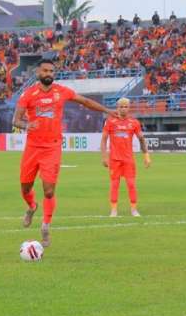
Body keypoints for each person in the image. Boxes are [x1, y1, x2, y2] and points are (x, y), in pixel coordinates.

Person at [13, 59, 117, 247]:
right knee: (25, 189)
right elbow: (16, 120)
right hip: (32, 148)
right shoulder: (28, 95)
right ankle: (31, 207)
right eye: (45, 70)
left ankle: (45, 227)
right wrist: (27, 125)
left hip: (52, 147)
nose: (48, 74)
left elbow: (84, 101)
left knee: (49, 191)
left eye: (51, 71)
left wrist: (107, 110)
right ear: (38, 73)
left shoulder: (61, 91)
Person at [101, 97, 151, 217]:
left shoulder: (134, 122)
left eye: (126, 106)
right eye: (121, 106)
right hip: (114, 159)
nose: (123, 109)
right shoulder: (110, 121)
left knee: (131, 184)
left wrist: (146, 155)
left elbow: (141, 139)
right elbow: (104, 139)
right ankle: (113, 210)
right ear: (117, 108)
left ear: (129, 108)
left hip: (128, 159)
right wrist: (104, 156)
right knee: (114, 184)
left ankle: (134, 209)